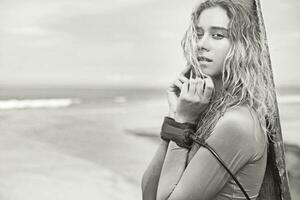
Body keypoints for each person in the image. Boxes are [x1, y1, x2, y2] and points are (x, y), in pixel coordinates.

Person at [141, 0, 277, 199]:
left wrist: (183, 123)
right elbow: (149, 193)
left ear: (243, 47)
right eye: (198, 34)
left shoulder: (237, 123)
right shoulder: (205, 110)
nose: (201, 44)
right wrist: (175, 116)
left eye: (218, 35)